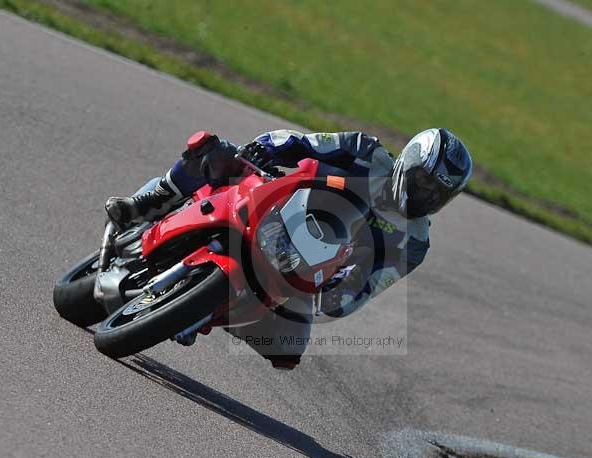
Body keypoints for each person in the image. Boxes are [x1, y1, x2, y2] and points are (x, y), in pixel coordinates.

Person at [105, 128, 473, 369]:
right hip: (276, 206)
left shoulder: (414, 243)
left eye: (439, 194)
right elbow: (301, 142)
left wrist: (337, 291)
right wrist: (265, 150)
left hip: (302, 268)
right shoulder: (365, 152)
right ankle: (148, 199)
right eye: (425, 182)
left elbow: (368, 287)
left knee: (287, 347)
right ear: (408, 163)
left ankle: (201, 310)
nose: (427, 196)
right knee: (217, 154)